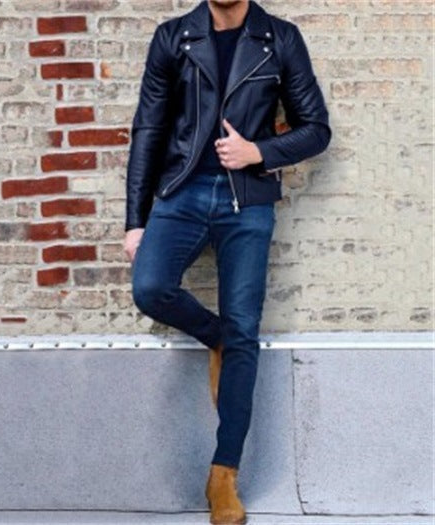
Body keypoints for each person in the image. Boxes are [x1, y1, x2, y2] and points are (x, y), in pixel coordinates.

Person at [123, 1, 331, 523]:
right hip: (182, 192)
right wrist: (135, 220)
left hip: (248, 198)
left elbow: (316, 128)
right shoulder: (173, 38)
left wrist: (258, 153)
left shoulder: (279, 39)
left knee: (245, 329)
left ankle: (223, 476)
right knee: (150, 288)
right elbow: (149, 129)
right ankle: (217, 338)